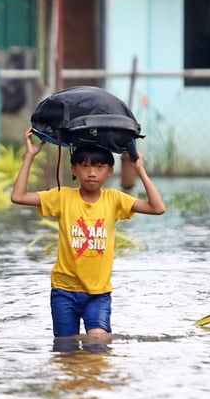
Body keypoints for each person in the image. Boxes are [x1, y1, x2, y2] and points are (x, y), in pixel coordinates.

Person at [11, 128, 165, 338]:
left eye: (99, 167)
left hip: (99, 294)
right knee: (66, 350)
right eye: (84, 166)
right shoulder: (62, 196)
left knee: (98, 343)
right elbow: (18, 196)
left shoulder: (114, 199)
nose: (91, 173)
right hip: (64, 291)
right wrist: (30, 156)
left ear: (109, 171)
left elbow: (157, 208)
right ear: (74, 168)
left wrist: (139, 169)